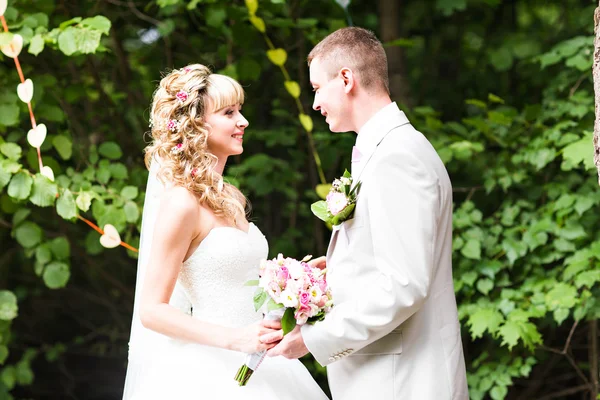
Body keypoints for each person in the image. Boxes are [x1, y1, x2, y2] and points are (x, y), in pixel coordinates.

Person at [265, 27, 469, 400]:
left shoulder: (397, 157)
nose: (314, 104)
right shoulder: (385, 149)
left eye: (316, 89)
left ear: (346, 79)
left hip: (401, 381)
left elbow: (404, 285)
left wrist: (313, 339)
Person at [122, 64, 328, 399]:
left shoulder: (230, 196)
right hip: (212, 369)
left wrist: (297, 277)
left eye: (241, 111)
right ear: (197, 125)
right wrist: (236, 339)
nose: (243, 121)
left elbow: (237, 274)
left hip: (265, 361)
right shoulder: (181, 203)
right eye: (229, 112)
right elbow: (152, 310)